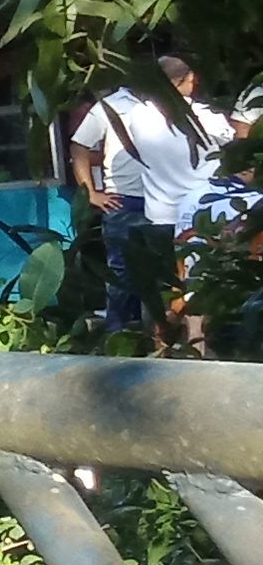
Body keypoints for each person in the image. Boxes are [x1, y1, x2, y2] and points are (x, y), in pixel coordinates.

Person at [70, 50, 236, 349]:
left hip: (163, 206)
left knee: (168, 277)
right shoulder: (117, 107)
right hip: (131, 199)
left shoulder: (147, 114)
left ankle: (163, 340)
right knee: (131, 272)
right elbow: (80, 145)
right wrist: (91, 192)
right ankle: (122, 336)